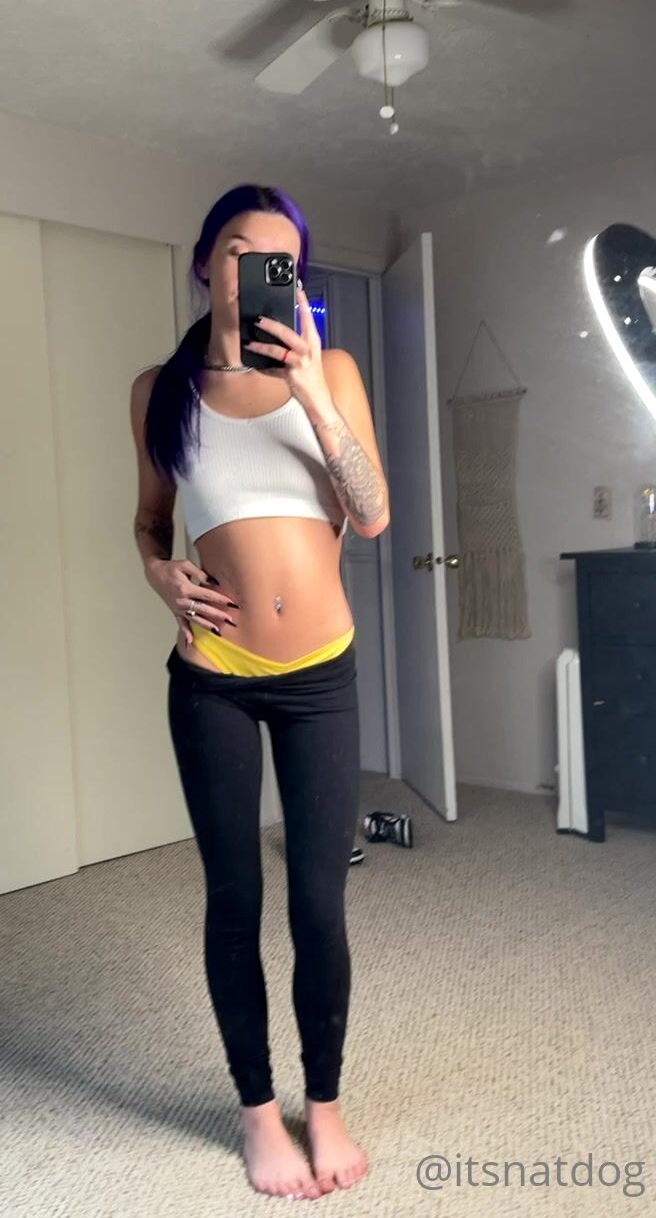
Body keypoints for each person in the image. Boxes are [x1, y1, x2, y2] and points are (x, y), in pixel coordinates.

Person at [130, 184, 390, 1200]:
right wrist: (159, 574)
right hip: (214, 678)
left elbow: (371, 514)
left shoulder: (332, 369)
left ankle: (323, 1103)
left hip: (320, 674)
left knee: (319, 902)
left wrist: (313, 393)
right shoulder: (161, 392)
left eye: (280, 257)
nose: (256, 271)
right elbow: (150, 521)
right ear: (207, 263)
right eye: (240, 250)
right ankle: (255, 1112)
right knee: (234, 898)